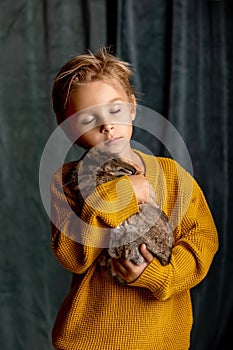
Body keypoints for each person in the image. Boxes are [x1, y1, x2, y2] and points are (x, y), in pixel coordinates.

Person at [50, 47, 219, 350]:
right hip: (92, 338)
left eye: (115, 110)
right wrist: (125, 193)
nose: (107, 125)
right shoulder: (66, 182)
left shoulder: (173, 176)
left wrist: (156, 275)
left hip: (161, 337)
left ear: (131, 106)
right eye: (89, 119)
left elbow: (202, 241)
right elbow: (73, 256)